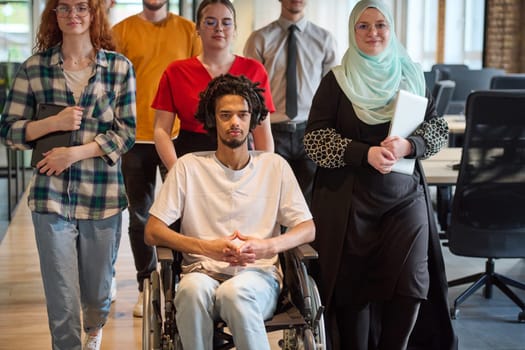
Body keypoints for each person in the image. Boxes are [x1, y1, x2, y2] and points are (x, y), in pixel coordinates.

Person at [303, 1, 457, 349]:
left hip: (404, 198)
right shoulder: (337, 81)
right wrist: (364, 153)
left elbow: (437, 129)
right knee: (354, 290)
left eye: (380, 25)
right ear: (352, 32)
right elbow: (313, 141)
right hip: (351, 204)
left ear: (391, 29)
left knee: (412, 283)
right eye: (363, 26)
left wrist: (410, 145)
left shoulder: (411, 75)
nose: (373, 32)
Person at [0, 0, 136, 349]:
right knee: (61, 300)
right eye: (63, 8)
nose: (72, 15)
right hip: (50, 198)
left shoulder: (119, 68)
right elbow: (9, 131)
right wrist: (52, 124)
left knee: (97, 295)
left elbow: (126, 133)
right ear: (54, 15)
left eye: (81, 7)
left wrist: (73, 154)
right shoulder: (33, 69)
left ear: (93, 14)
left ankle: (95, 326)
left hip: (102, 198)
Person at [145, 74, 315, 350]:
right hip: (200, 272)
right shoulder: (189, 167)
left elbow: (307, 227)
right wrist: (205, 247)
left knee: (234, 293)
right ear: (213, 119)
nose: (235, 122)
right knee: (189, 291)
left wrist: (266, 246)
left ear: (252, 119)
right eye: (225, 115)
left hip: (257, 277)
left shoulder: (274, 166)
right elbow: (153, 230)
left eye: (242, 115)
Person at [111, 0, 202, 317]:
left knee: (185, 212)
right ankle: (145, 284)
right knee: (140, 216)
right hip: (134, 137)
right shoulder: (121, 31)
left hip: (177, 136)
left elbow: (199, 75)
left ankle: (181, 280)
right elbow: (112, 86)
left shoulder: (189, 30)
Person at [152, 0, 274, 171]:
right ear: (198, 29)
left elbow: (262, 132)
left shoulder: (254, 70)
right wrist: (176, 169)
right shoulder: (176, 71)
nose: (219, 28)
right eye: (210, 22)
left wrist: (263, 172)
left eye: (226, 22)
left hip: (240, 161)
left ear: (235, 29)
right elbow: (161, 130)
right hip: (190, 159)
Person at [243, 0, 337, 204]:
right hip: (271, 133)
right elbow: (249, 93)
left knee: (311, 203)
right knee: (271, 200)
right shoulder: (259, 39)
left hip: (311, 132)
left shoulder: (325, 40)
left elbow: (332, 93)